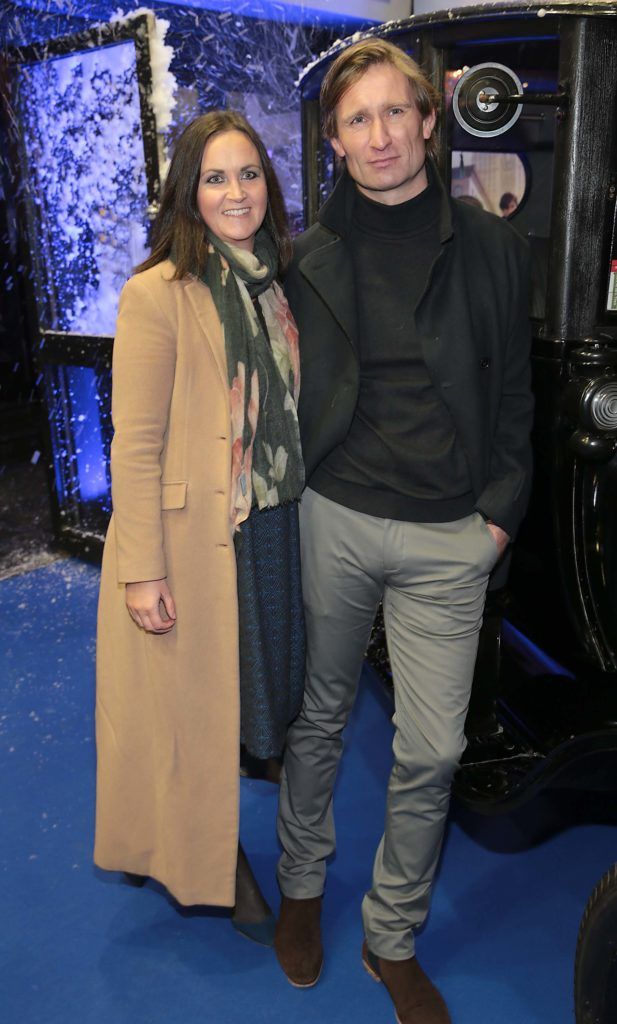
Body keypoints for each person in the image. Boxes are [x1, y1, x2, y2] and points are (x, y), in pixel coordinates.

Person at [274, 38, 533, 1023]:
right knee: (320, 715)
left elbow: (513, 392)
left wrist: (499, 519)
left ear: (429, 121)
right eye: (356, 121)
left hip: (449, 536)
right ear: (334, 142)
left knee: (429, 749)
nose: (378, 136)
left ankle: (392, 935)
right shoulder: (304, 256)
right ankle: (302, 884)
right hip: (333, 515)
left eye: (395, 113)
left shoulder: (494, 248)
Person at [94, 111, 305, 947]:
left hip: (268, 527)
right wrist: (142, 568)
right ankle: (210, 865)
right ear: (188, 190)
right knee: (196, 714)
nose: (235, 192)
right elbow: (134, 442)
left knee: (253, 701)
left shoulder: (277, 282)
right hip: (190, 543)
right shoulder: (157, 293)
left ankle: (186, 833)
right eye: (215, 177)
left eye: (248, 174)